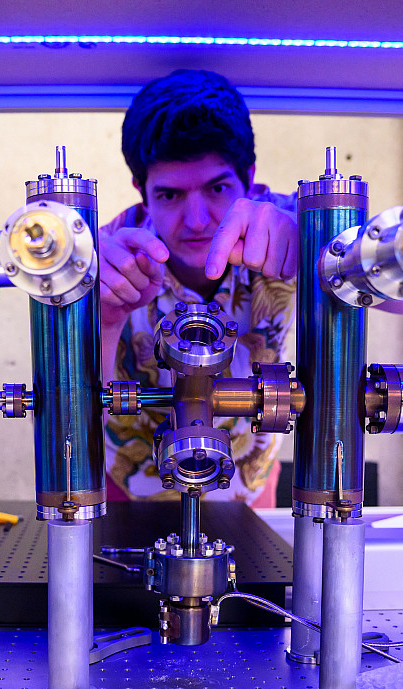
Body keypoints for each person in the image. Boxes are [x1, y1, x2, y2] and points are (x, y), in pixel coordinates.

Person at [100, 69, 297, 507]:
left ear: (249, 177)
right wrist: (103, 318)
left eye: (217, 188)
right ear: (141, 191)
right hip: (127, 489)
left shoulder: (290, 223)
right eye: (170, 195)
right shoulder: (107, 256)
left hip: (253, 483)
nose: (196, 220)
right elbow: (70, 414)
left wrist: (327, 247)